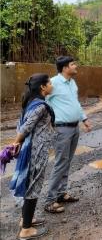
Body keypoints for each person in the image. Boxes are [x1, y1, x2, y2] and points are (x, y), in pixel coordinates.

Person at [10, 74, 55, 239]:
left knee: (31, 184)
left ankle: (25, 220)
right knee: (33, 187)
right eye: (49, 82)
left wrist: (18, 143)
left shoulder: (31, 103)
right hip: (35, 153)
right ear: (43, 87)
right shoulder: (40, 106)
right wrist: (16, 143)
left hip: (32, 151)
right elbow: (25, 128)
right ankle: (26, 230)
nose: (51, 84)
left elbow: (21, 125)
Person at [44, 56, 91, 213]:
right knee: (60, 163)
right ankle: (50, 200)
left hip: (74, 127)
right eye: (73, 64)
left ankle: (61, 193)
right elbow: (43, 102)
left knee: (67, 161)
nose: (75, 66)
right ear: (65, 68)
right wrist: (49, 122)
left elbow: (75, 103)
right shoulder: (53, 83)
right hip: (61, 129)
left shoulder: (72, 83)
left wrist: (84, 118)